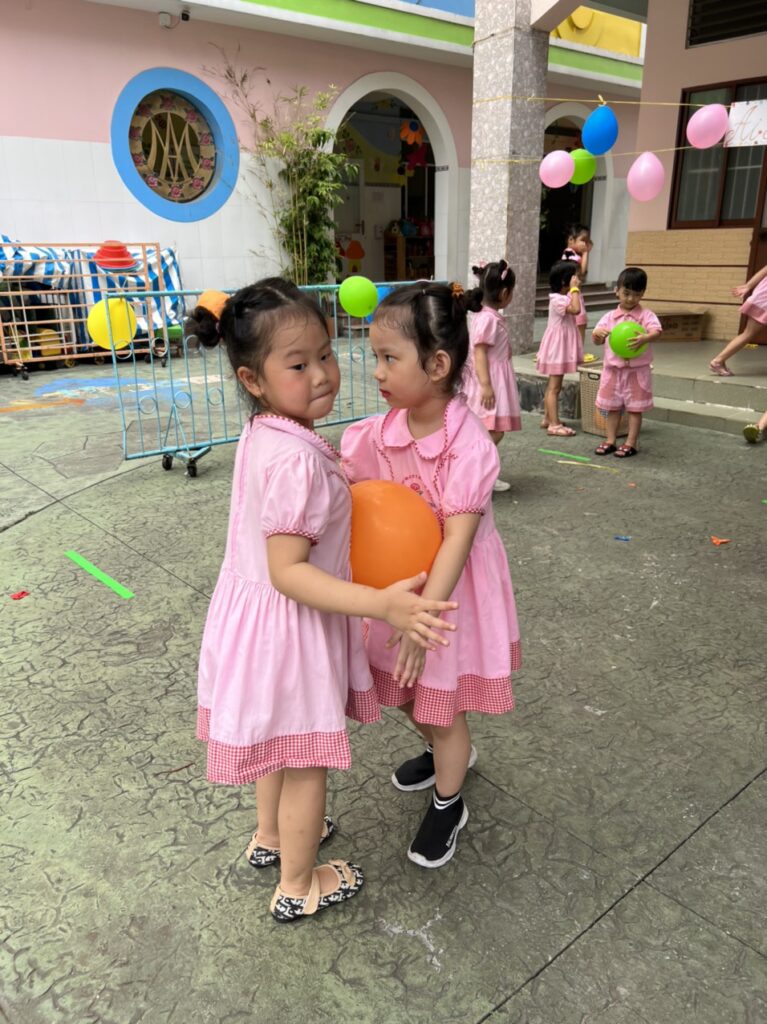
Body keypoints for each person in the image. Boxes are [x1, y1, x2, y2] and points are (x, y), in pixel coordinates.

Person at [191, 279, 459, 922]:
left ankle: (271, 836)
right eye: (298, 365)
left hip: (255, 625)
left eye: (326, 355)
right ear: (253, 380)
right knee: (307, 759)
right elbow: (289, 571)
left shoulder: (267, 433)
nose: (321, 374)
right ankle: (299, 883)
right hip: (290, 629)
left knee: (277, 743)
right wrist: (381, 604)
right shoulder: (298, 462)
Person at [341, 282, 520, 869]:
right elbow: (354, 490)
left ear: (438, 365)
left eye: (389, 358)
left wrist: (422, 624)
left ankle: (449, 801)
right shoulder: (379, 431)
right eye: (375, 357)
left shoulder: (469, 448)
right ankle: (446, 752)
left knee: (443, 705)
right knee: (402, 689)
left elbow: (457, 543)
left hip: (446, 596)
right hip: (401, 590)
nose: (377, 372)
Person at [463, 259, 522, 492]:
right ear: (505, 293)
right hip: (489, 381)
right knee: (493, 431)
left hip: (492, 379)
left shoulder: (488, 316)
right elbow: (479, 352)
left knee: (490, 430)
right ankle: (474, 471)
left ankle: (482, 473)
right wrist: (486, 385)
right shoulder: (488, 318)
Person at [591, 266, 662, 458]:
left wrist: (646, 338)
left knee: (634, 409)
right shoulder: (608, 317)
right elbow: (597, 339)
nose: (631, 299)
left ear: (643, 294)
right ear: (617, 291)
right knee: (612, 407)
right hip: (613, 371)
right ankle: (610, 440)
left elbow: (656, 331)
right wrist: (597, 335)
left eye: (636, 294)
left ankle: (631, 442)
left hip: (637, 372)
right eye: (626, 293)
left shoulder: (646, 315)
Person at [537, 260, 583, 437]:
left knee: (553, 386)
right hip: (557, 349)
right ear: (565, 281)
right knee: (554, 388)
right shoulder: (557, 299)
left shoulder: (563, 297)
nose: (577, 279)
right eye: (574, 277)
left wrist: (574, 291)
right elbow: (576, 310)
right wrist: (575, 289)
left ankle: (548, 418)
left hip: (560, 347)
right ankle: (554, 425)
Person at [710, 263, 767, 376]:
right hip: (764, 302)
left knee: (748, 333)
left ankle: (718, 361)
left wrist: (748, 286)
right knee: (748, 333)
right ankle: (718, 361)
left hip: (761, 300)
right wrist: (748, 286)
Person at [561, 223, 593, 345]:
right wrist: (585, 253)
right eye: (582, 240)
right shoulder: (569, 254)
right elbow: (582, 273)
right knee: (580, 322)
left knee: (580, 323)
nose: (585, 244)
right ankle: (578, 349)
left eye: (587, 241)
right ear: (571, 240)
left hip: (574, 293)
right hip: (572, 294)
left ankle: (578, 349)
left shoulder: (573, 255)